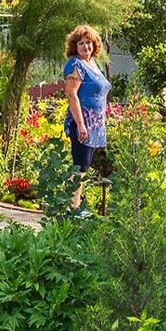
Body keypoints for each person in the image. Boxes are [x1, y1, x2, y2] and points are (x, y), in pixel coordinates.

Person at [62, 24, 111, 211]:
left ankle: (76, 203)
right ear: (75, 46)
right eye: (81, 43)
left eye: (89, 43)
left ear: (94, 45)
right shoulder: (76, 65)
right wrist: (81, 124)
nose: (85, 47)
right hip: (82, 123)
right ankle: (72, 207)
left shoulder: (93, 64)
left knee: (85, 166)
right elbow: (71, 94)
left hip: (94, 124)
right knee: (80, 166)